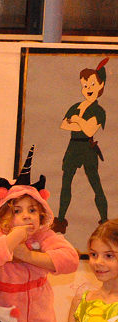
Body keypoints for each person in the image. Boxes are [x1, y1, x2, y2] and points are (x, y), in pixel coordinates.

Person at [0, 148, 79, 322]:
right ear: (3, 214)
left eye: (32, 210)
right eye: (17, 211)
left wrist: (28, 255)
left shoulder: (44, 236)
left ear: (41, 213)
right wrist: (13, 239)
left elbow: (70, 260)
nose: (26, 216)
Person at [55, 58, 109, 232]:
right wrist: (81, 123)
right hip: (73, 146)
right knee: (66, 182)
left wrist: (77, 121)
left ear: (101, 86)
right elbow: (64, 125)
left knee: (95, 183)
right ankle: (60, 221)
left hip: (87, 147)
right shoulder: (76, 106)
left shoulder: (98, 110)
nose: (88, 89)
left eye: (92, 84)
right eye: (85, 85)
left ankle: (105, 221)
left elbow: (89, 130)